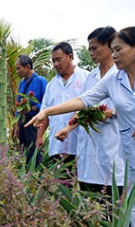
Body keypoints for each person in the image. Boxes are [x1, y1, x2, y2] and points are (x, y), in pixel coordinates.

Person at [26, 26, 135, 227]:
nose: (114, 55)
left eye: (118, 50)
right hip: (133, 148)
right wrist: (48, 111)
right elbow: (85, 100)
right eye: (112, 50)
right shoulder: (113, 80)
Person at [55, 27, 124, 197]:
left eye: (94, 48)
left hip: (113, 146)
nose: (91, 53)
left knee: (115, 204)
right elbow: (83, 106)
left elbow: (127, 107)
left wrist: (109, 112)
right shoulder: (91, 77)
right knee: (91, 204)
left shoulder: (121, 74)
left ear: (109, 46)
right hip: (89, 152)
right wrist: (68, 129)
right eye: (89, 49)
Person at [38, 42, 88, 171]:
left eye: (59, 59)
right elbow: (45, 113)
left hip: (80, 143)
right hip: (57, 145)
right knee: (61, 186)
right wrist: (39, 137)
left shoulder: (86, 78)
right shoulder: (51, 85)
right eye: (53, 61)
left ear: (70, 57)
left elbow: (90, 108)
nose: (55, 64)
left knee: (80, 184)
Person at [15, 54, 48, 166]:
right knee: (24, 150)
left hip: (34, 121)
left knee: (34, 151)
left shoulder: (40, 81)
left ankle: (38, 177)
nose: (17, 71)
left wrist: (35, 107)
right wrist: (16, 123)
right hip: (23, 121)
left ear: (27, 66)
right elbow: (18, 104)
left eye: (19, 68)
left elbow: (48, 102)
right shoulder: (22, 83)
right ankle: (27, 176)